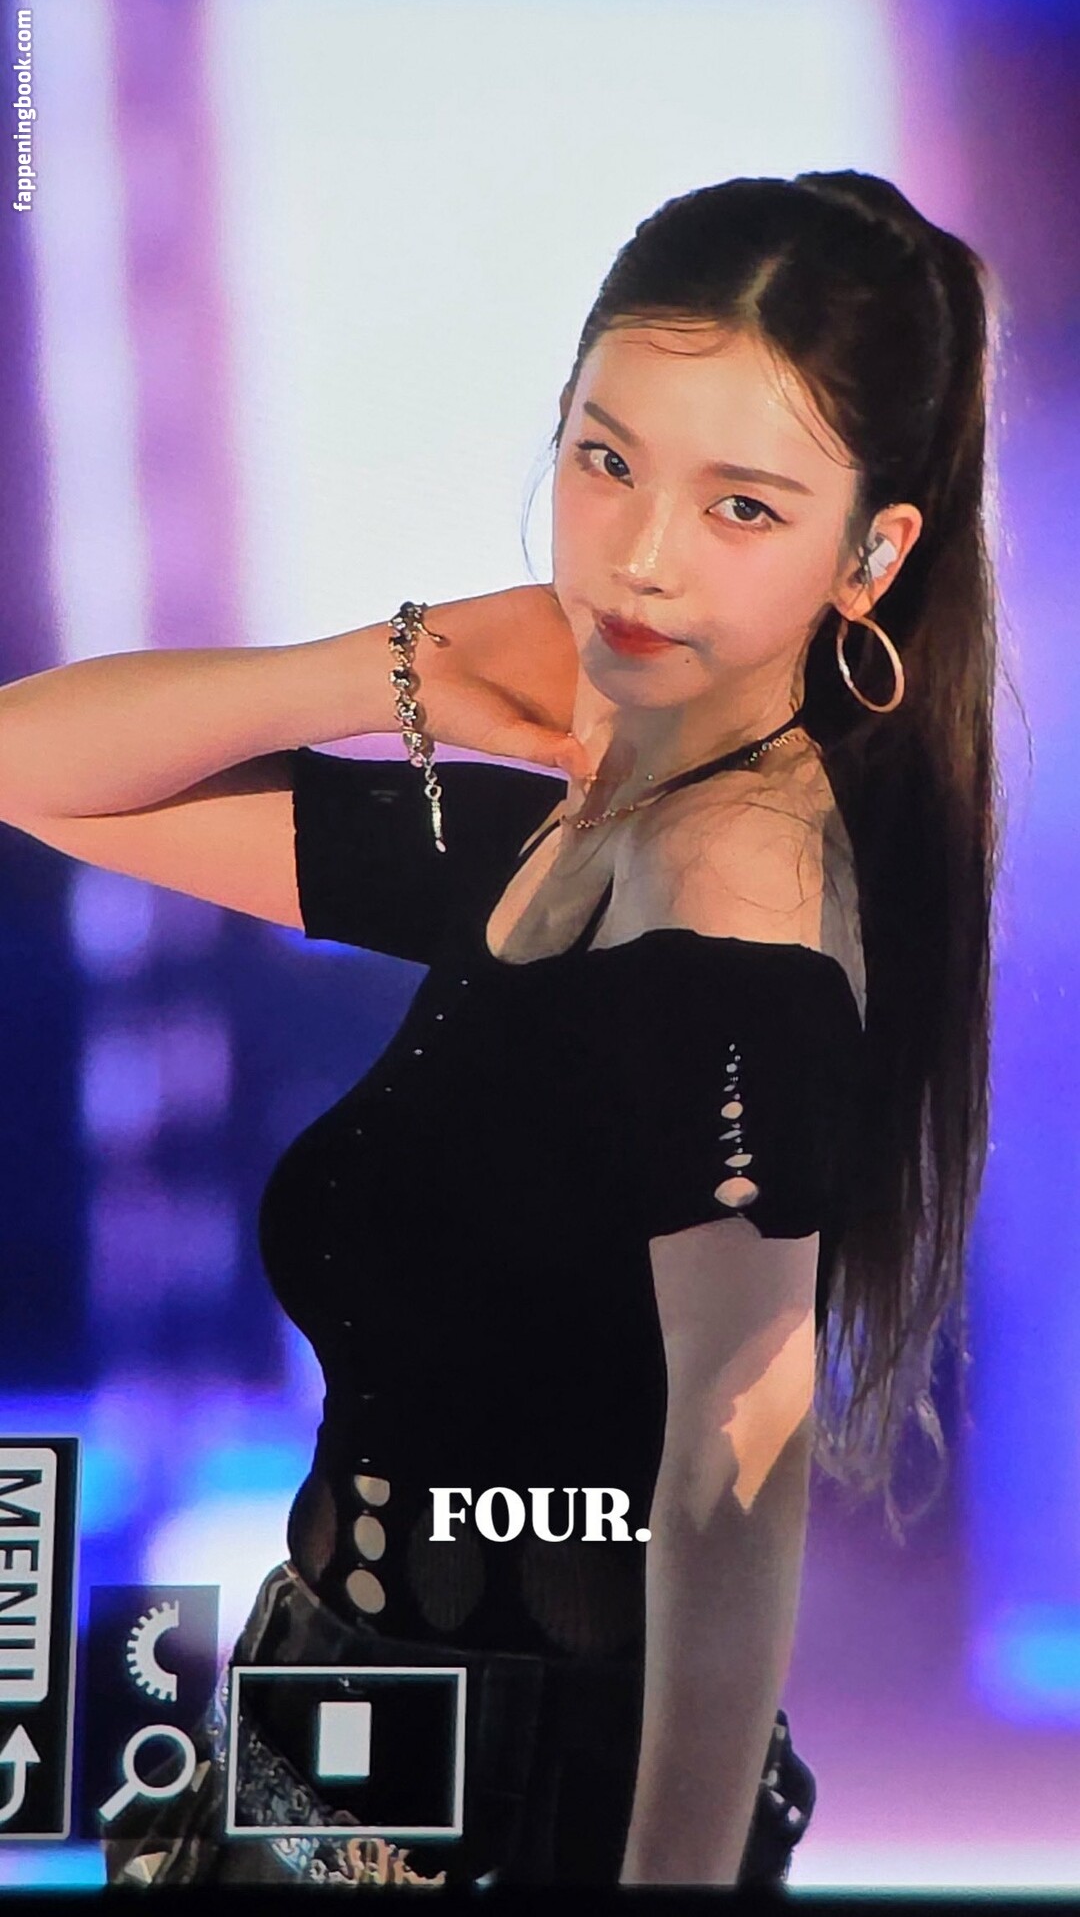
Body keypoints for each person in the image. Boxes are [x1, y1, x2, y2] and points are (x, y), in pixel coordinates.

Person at [0, 169, 1000, 1889]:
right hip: (324, 1755)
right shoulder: (578, 831)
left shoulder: (730, 901)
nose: (642, 556)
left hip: (507, 1817)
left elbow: (732, 1475)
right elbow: (36, 768)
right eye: (606, 461)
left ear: (873, 553)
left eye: (741, 507)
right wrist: (402, 659)